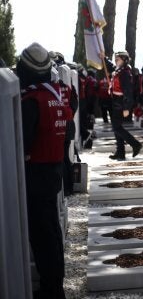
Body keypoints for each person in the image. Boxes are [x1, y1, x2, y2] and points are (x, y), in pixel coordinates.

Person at [17, 43, 73, 299]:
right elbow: (68, 133)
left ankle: (51, 290)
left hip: (35, 176)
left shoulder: (31, 101)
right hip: (53, 171)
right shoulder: (54, 97)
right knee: (51, 233)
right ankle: (54, 285)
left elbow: (22, 144)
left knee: (42, 237)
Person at [108, 51, 142, 160]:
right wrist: (104, 58)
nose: (116, 61)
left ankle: (135, 144)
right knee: (116, 127)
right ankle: (120, 152)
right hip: (116, 101)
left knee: (117, 127)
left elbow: (128, 91)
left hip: (121, 102)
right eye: (115, 59)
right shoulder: (120, 70)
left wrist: (127, 107)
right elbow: (111, 66)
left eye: (118, 59)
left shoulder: (125, 73)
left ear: (124, 60)